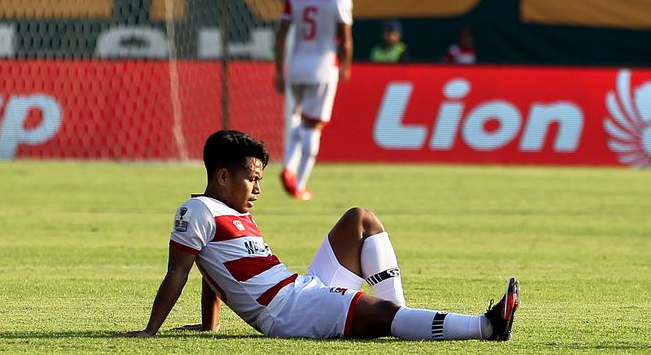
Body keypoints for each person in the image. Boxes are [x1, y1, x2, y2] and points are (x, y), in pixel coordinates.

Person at [113, 130, 521, 341]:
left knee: (360, 219)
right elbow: (179, 273)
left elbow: (213, 272)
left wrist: (210, 327)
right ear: (222, 176)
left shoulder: (228, 212)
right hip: (287, 312)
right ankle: (486, 327)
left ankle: (399, 316)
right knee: (381, 316)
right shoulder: (196, 210)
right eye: (251, 179)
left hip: (298, 288)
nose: (258, 188)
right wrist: (151, 329)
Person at [274, 0, 354, 201]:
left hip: (296, 66)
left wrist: (279, 69)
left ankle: (288, 166)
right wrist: (346, 66)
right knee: (314, 125)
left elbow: (282, 33)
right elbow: (345, 38)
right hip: (323, 66)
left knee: (298, 119)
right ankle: (299, 184)